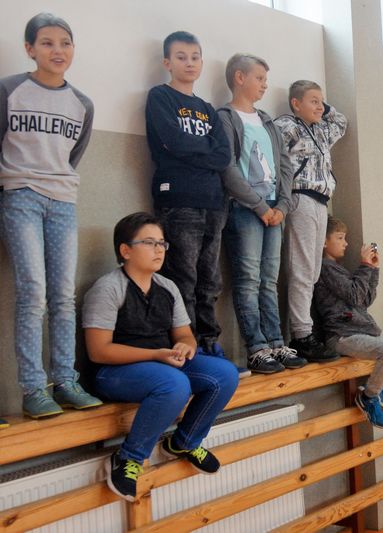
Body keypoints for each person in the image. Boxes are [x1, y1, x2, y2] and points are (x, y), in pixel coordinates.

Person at [83, 213, 238, 502]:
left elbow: (185, 335)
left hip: (162, 364)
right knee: (175, 383)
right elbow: (99, 350)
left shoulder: (167, 286)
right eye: (149, 243)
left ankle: (183, 442)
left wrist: (185, 347)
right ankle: (128, 458)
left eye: (162, 243)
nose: (159, 249)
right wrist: (157, 354)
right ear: (125, 250)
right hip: (114, 372)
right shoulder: (108, 288)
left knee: (225, 374)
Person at [0, 13, 102, 418]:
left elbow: (72, 156)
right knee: (33, 292)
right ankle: (32, 389)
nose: (57, 50)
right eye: (47, 43)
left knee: (63, 295)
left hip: (62, 200)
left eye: (65, 43)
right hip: (20, 196)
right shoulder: (9, 90)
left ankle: (65, 381)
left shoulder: (82, 103)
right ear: (30, 49)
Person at [146, 31, 232, 364]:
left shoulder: (207, 109)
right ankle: (187, 345)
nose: (189, 63)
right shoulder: (160, 97)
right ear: (167, 62)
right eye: (181, 57)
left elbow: (223, 155)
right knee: (183, 278)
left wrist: (195, 150)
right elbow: (172, 141)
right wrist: (204, 149)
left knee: (209, 281)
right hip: (178, 200)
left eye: (195, 57)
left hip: (213, 203)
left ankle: (209, 342)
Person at [217, 53, 305, 375]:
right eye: (259, 78)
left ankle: (276, 342)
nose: (265, 85)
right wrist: (259, 206)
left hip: (274, 212)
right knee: (248, 279)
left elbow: (284, 166)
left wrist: (282, 206)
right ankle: (256, 347)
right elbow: (227, 168)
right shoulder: (225, 117)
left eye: (266, 80)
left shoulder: (267, 121)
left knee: (269, 280)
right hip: (245, 210)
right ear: (239, 78)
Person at [314, 217, 383, 428]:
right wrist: (365, 266)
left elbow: (365, 300)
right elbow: (355, 296)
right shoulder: (325, 268)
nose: (346, 243)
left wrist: (373, 270)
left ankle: (377, 390)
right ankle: (368, 397)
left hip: (362, 330)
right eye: (340, 238)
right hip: (342, 335)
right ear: (323, 242)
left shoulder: (338, 268)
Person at [275, 80, 347, 361]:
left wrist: (324, 108)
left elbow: (341, 122)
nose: (319, 106)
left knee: (313, 271)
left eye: (321, 101)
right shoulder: (287, 126)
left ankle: (305, 329)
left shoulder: (321, 130)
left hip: (321, 200)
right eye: (313, 101)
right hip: (300, 197)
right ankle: (301, 334)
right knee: (302, 269)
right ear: (296, 103)